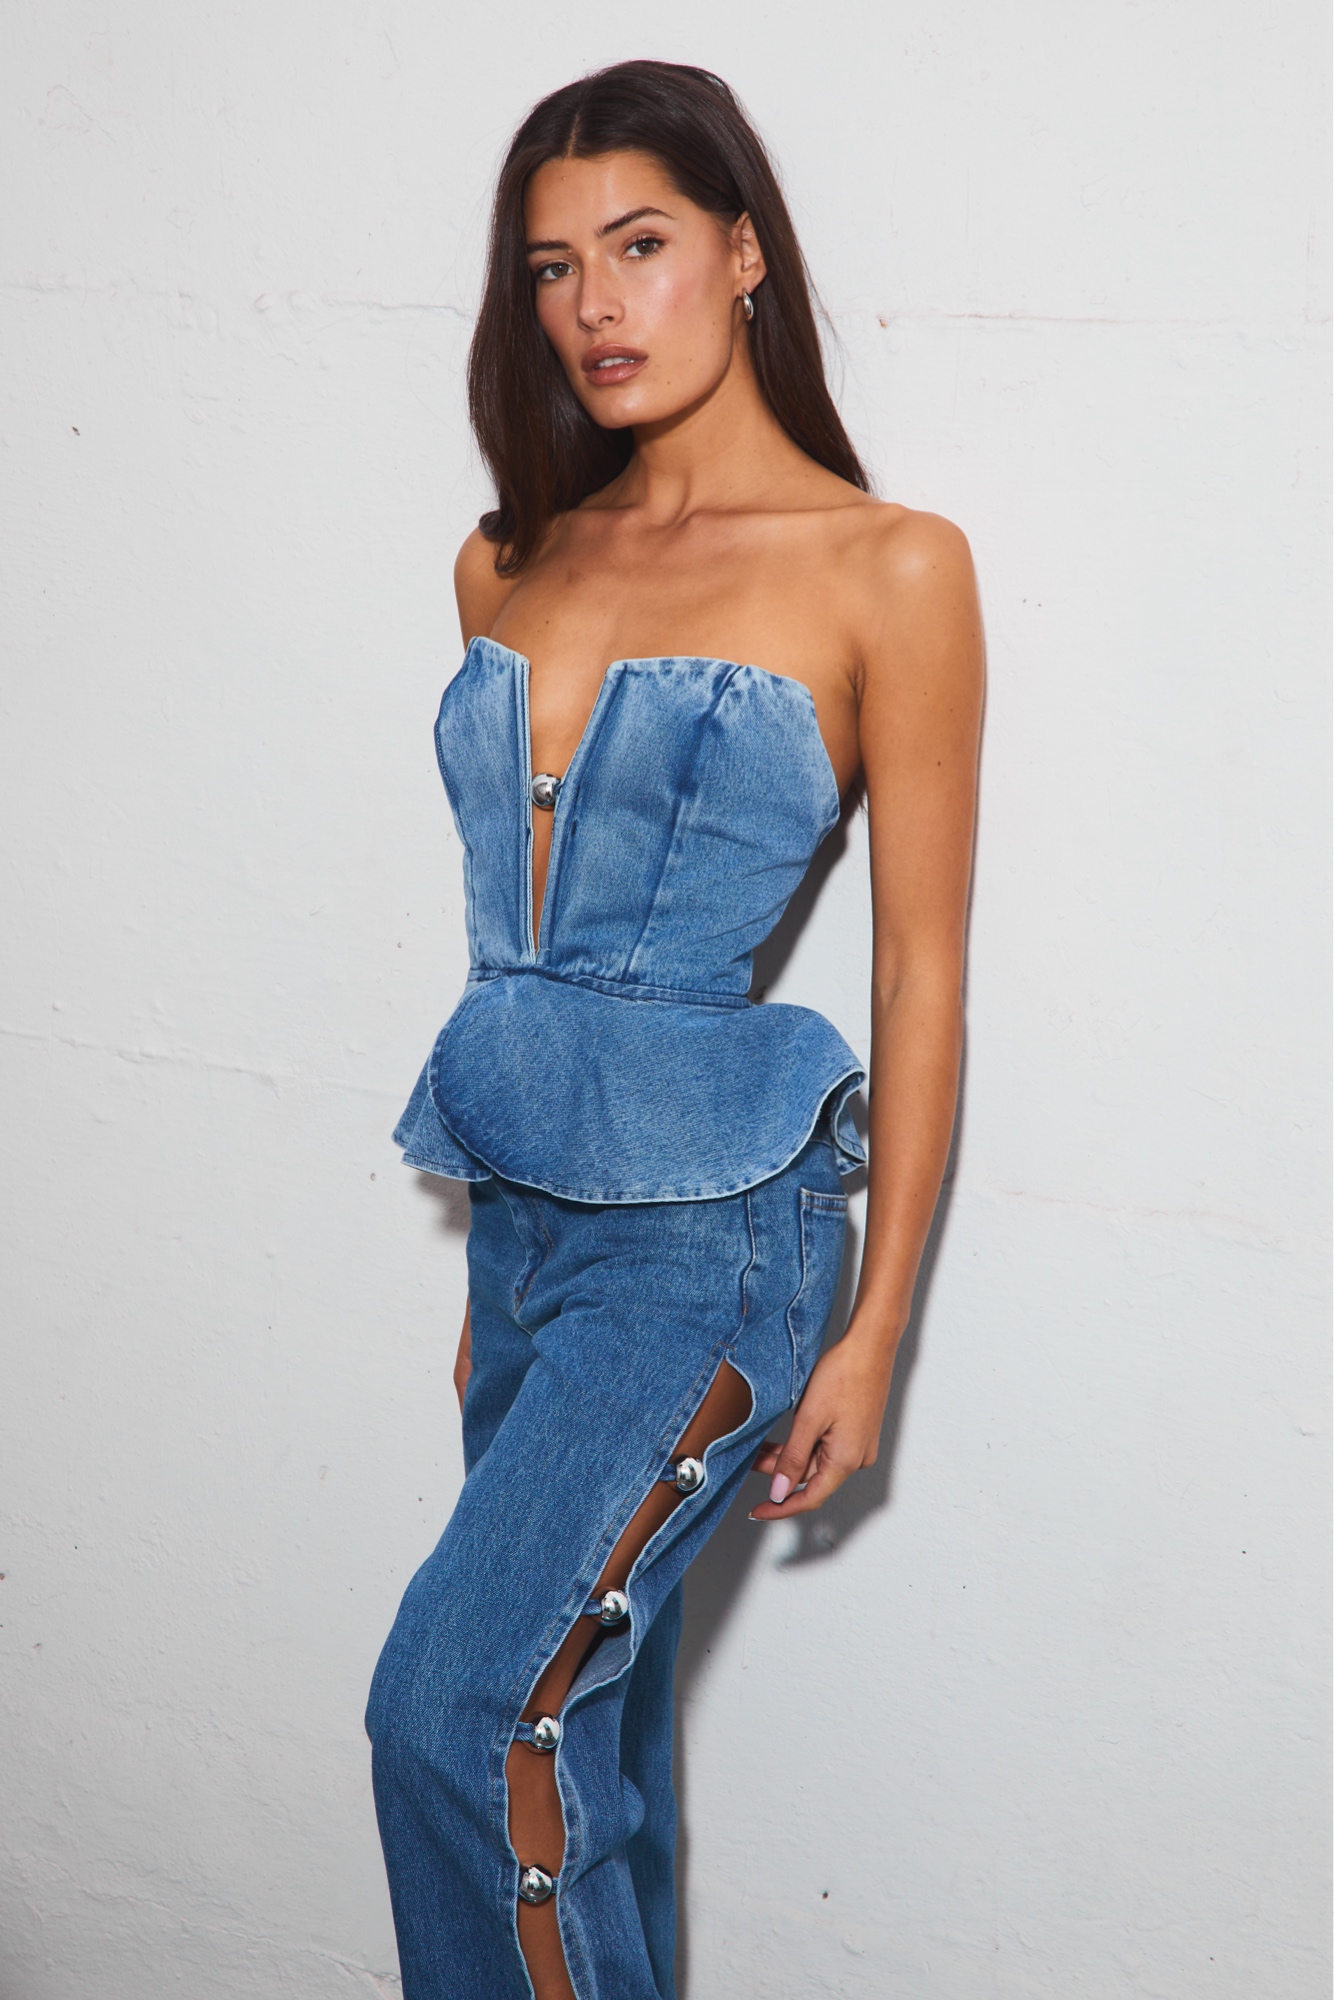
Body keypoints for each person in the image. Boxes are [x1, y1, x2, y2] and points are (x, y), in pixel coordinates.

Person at [365, 58, 982, 2000]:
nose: (593, 306)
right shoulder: (508, 558)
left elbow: (920, 969)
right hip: (527, 1243)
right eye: (552, 268)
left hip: (709, 1249)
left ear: (742, 252)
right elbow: (515, 952)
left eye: (637, 246)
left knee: (459, 1716)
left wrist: (876, 1328)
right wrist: (496, 1276)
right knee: (583, 1758)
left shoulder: (888, 567)